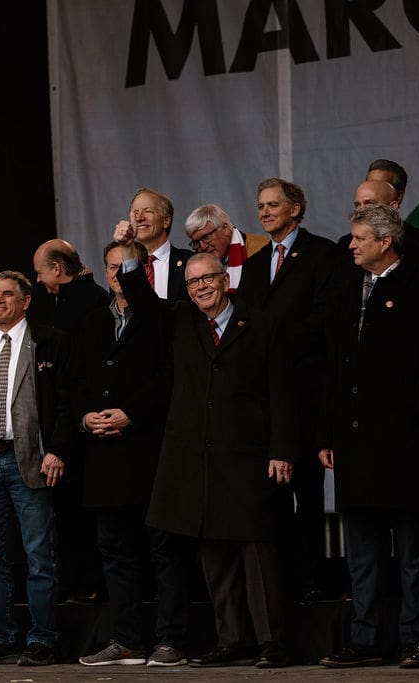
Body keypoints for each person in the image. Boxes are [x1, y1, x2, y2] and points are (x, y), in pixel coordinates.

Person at [120, 220, 298, 669]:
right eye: (193, 281)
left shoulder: (262, 324)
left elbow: (283, 392)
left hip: (249, 457)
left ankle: (271, 641)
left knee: (256, 551)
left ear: (225, 280)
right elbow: (139, 298)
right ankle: (231, 639)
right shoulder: (180, 321)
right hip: (198, 458)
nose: (200, 287)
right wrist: (128, 250)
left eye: (208, 278)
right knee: (214, 554)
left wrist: (282, 449)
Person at [317, 205, 419, 670]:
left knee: (413, 548)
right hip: (354, 439)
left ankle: (416, 638)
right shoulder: (345, 284)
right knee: (362, 551)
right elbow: (332, 363)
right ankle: (364, 639)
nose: (351, 244)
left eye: (359, 237)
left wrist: (417, 409)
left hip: (406, 439)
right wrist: (328, 430)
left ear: (385, 241)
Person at [72, 242, 191, 667]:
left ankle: (171, 639)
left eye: (126, 266)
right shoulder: (90, 323)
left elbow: (171, 378)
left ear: (141, 270)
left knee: (164, 550)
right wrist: (86, 418)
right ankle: (125, 639)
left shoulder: (162, 316)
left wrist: (131, 414)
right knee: (116, 553)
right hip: (104, 454)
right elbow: (75, 382)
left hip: (150, 450)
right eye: (111, 267)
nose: (117, 274)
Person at [0, 270, 73, 667]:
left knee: (40, 556)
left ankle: (42, 639)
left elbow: (65, 403)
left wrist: (56, 449)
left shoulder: (48, 342)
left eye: (8, 294)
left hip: (30, 461)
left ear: (25, 301)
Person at [236, 177, 341, 602]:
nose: (263, 212)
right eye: (260, 205)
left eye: (272, 205)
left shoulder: (323, 253)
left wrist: (274, 343)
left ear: (296, 208)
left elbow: (325, 320)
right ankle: (277, 583)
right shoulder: (257, 264)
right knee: (270, 497)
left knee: (308, 495)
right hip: (265, 400)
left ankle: (313, 580)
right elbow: (243, 321)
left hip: (308, 394)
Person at [31, 238, 109, 603]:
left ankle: (86, 585)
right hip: (78, 425)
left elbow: (75, 375)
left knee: (79, 515)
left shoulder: (79, 305)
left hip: (82, 430)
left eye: (40, 272)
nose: (39, 280)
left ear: (58, 270)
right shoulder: (80, 297)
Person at [341, 178, 419, 280]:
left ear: (392, 206)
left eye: (370, 204)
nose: (362, 210)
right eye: (357, 205)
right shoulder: (345, 246)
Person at [114, 187, 191, 301]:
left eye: (147, 211)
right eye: (135, 213)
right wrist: (127, 246)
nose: (139, 218)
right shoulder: (125, 269)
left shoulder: (188, 261)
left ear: (166, 221)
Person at [183, 204, 268, 291]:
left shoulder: (263, 248)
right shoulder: (195, 266)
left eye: (207, 237)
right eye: (196, 243)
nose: (203, 247)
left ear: (225, 229)